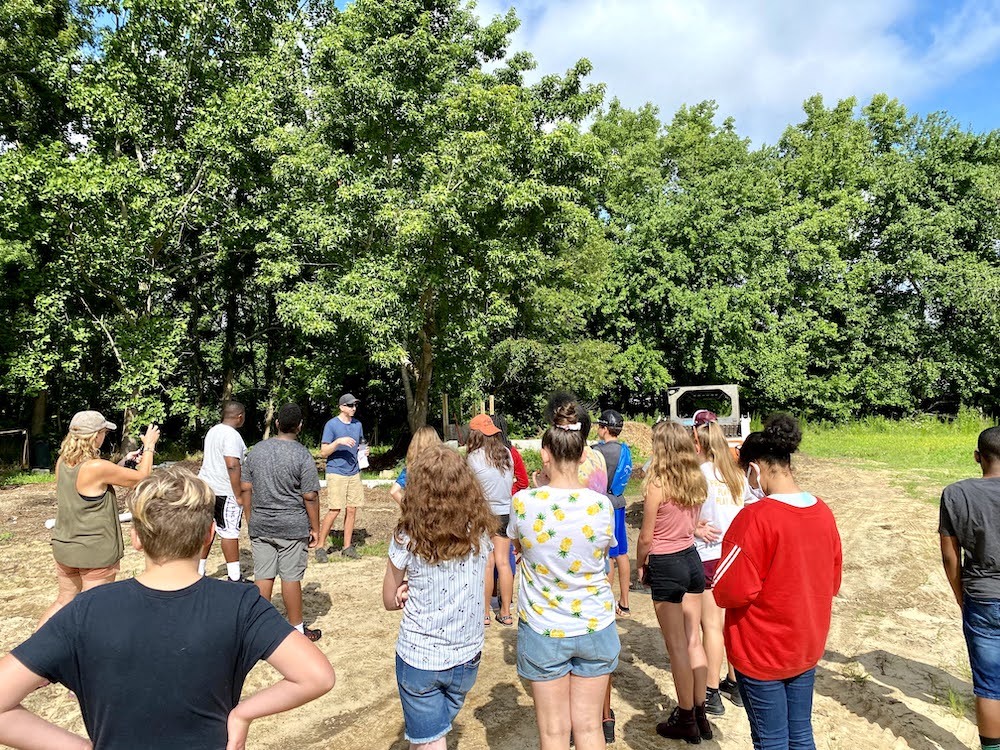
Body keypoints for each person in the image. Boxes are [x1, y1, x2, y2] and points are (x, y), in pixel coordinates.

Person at [0, 466, 335, 750]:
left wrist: (82, 747)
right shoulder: (241, 604)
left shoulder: (86, 609)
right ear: (209, 535)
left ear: (136, 537)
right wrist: (243, 713)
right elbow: (316, 676)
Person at [713, 414, 842, 750]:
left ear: (755, 470)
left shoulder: (754, 518)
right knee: (801, 735)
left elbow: (728, 591)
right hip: (806, 644)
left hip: (761, 649)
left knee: (770, 740)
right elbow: (832, 581)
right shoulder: (823, 512)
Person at [509, 398, 619, 750]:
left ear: (544, 453)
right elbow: (600, 555)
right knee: (589, 729)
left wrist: (539, 487)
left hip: (544, 628)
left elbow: (520, 547)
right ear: (584, 453)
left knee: (554, 734)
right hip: (595, 624)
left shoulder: (523, 503)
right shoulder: (601, 505)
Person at [383, 444, 495, 750]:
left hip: (420, 657)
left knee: (430, 742)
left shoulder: (407, 535)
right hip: (467, 657)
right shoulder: (479, 531)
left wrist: (405, 587)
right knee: (433, 735)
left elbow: (389, 600)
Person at [40, 411, 160, 628]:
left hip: (64, 545)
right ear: (95, 436)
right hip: (94, 551)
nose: (105, 436)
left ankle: (37, 644)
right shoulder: (96, 467)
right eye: (104, 432)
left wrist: (124, 462)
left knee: (64, 602)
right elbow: (143, 478)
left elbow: (93, 483)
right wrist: (150, 446)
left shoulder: (63, 462)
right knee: (94, 609)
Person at [636, 420, 711, 743]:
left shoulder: (657, 484)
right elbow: (691, 524)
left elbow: (646, 536)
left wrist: (641, 564)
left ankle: (686, 717)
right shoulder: (695, 479)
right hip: (691, 559)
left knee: (677, 645)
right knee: (694, 639)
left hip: (666, 562)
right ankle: (700, 711)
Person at [940, 426, 1000, 750]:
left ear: (978, 457)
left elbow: (950, 555)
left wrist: (960, 595)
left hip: (982, 596)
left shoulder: (956, 494)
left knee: (990, 686)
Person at [242, 403, 323, 642]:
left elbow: (246, 487)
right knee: (290, 577)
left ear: (277, 423)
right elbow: (310, 495)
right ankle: (296, 630)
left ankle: (257, 629)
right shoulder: (302, 455)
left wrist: (250, 518)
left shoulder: (256, 451)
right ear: (299, 426)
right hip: (292, 527)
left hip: (261, 524)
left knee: (263, 575)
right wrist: (316, 528)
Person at [692, 412, 754, 715]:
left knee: (712, 626)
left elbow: (688, 514)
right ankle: (735, 681)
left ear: (698, 442)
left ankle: (711, 691)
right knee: (732, 623)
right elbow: (751, 507)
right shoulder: (736, 475)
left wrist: (695, 529)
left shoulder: (698, 475)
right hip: (735, 556)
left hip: (708, 554)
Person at [466, 414, 515, 626]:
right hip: (505, 512)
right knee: (504, 562)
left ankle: (485, 613)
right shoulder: (506, 453)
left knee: (487, 563)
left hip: (483, 513)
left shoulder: (473, 458)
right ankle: (506, 612)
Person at [197, 401, 250, 582]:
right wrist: (238, 493)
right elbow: (232, 465)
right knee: (229, 532)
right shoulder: (232, 435)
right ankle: (234, 576)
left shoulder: (213, 431)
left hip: (206, 487)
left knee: (207, 529)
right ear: (240, 417)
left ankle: (198, 572)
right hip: (225, 490)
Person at [317, 393, 365, 560]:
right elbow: (323, 452)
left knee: (352, 509)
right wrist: (338, 442)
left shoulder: (358, 425)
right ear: (341, 407)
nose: (354, 408)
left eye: (355, 405)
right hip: (336, 472)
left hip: (354, 472)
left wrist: (364, 451)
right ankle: (320, 547)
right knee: (335, 509)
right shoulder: (331, 425)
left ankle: (347, 547)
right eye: (350, 405)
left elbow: (360, 445)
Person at [594, 409, 632, 616]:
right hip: (619, 501)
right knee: (622, 553)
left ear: (605, 428)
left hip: (604, 505)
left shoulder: (597, 451)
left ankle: (606, 604)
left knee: (608, 553)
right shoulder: (625, 450)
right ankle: (624, 602)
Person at [389, 426, 442, 506]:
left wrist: (407, 509)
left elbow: (393, 491)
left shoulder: (411, 468)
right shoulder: (442, 466)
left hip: (419, 511)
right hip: (440, 510)